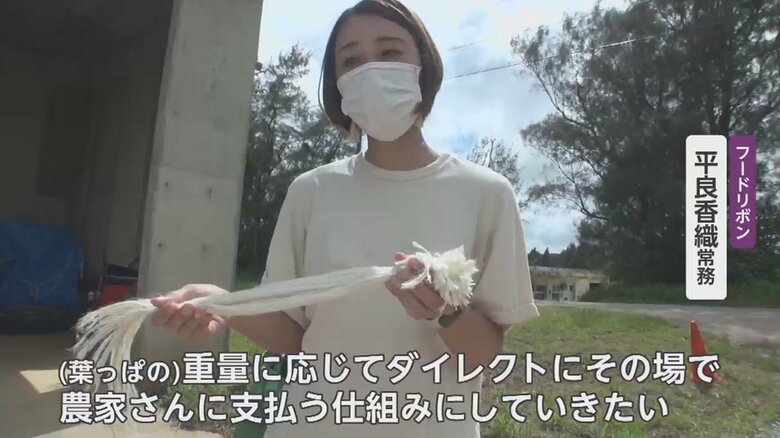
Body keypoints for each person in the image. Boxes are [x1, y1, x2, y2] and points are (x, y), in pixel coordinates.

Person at [150, 0, 539, 436]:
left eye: (390, 52)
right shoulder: (312, 191)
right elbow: (295, 338)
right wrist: (222, 303)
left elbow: (487, 356)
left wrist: (445, 312)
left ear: (424, 67)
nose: (371, 71)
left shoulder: (487, 194)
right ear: (338, 87)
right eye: (351, 61)